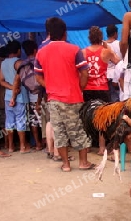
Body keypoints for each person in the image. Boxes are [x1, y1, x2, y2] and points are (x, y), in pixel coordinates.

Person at [34, 17, 95, 172]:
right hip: (73, 97)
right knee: (79, 130)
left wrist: (50, 86)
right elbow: (85, 73)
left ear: (48, 33)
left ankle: (66, 164)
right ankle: (83, 163)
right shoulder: (74, 50)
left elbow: (38, 76)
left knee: (59, 131)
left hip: (53, 99)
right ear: (64, 33)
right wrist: (79, 87)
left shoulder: (41, 52)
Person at [82, 26, 121, 156]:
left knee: (86, 117)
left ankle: (86, 147)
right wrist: (107, 47)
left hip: (87, 88)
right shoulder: (106, 51)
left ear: (89, 38)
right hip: (102, 88)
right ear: (100, 37)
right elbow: (119, 63)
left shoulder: (83, 52)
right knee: (102, 119)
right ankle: (101, 147)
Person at [0, 40, 31, 153]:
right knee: (21, 120)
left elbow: (1, 81)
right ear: (18, 51)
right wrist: (15, 90)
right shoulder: (19, 62)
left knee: (9, 122)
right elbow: (19, 79)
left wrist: (11, 88)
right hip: (20, 96)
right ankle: (23, 146)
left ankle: (11, 147)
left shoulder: (3, 63)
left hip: (7, 96)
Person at [105, 24, 122, 103]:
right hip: (117, 76)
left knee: (108, 101)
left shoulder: (102, 45)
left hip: (105, 77)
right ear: (115, 33)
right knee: (118, 100)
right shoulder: (120, 44)